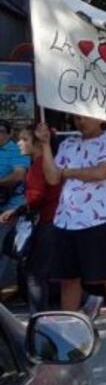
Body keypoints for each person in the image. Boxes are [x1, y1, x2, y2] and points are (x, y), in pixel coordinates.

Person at [36, 117, 106, 356]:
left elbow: (101, 172)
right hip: (65, 220)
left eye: (85, 117)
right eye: (77, 117)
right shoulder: (68, 144)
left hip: (96, 220)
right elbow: (52, 178)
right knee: (69, 280)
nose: (80, 121)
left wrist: (67, 171)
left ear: (99, 117)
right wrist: (46, 144)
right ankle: (68, 337)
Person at [0, 127, 61, 314]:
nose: (19, 143)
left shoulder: (40, 165)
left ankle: (39, 318)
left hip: (45, 221)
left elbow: (37, 197)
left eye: (24, 139)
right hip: (47, 220)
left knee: (35, 275)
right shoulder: (40, 163)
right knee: (36, 273)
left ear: (38, 143)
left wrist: (17, 210)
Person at [0, 119, 29, 282]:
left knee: (4, 246)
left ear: (10, 133)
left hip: (10, 205)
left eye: (1, 131)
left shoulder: (16, 150)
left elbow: (19, 175)